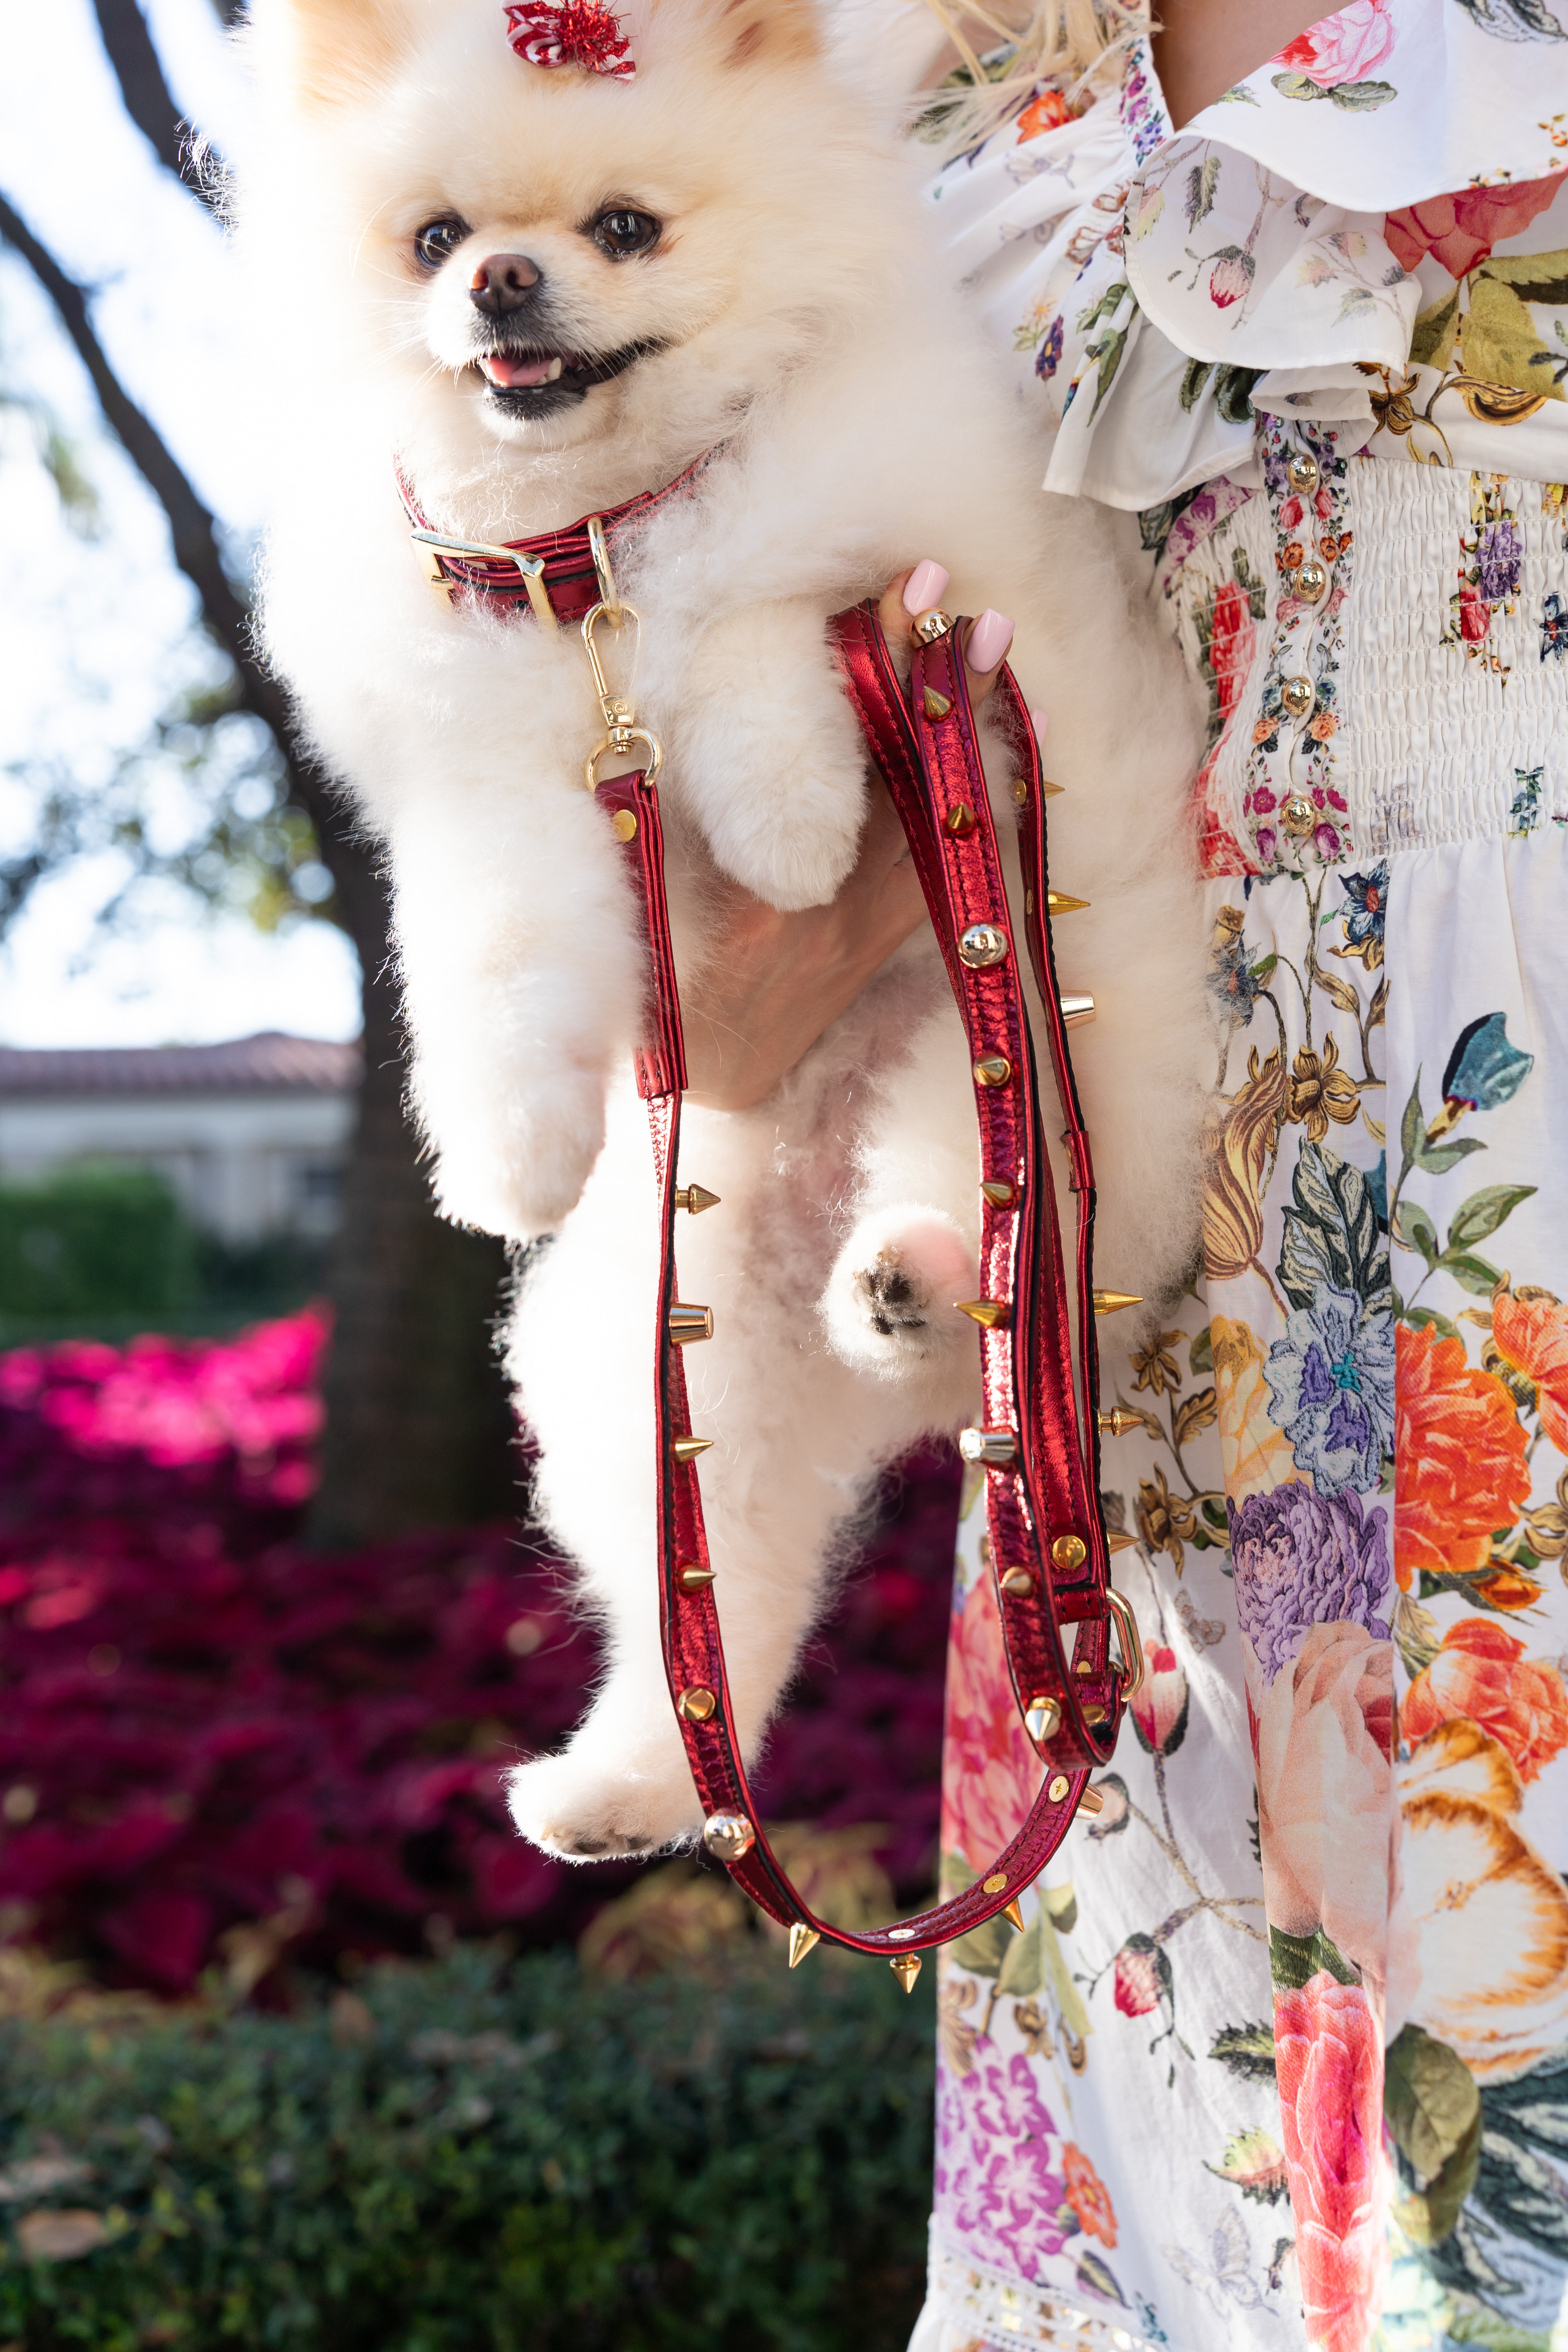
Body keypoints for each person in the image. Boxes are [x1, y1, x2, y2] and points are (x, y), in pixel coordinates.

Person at [689, 4, 1568, 2347]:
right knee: (1218, 2193)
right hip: (1178, 1216)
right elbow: (800, 912)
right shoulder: (944, 67)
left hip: (1514, 1152)